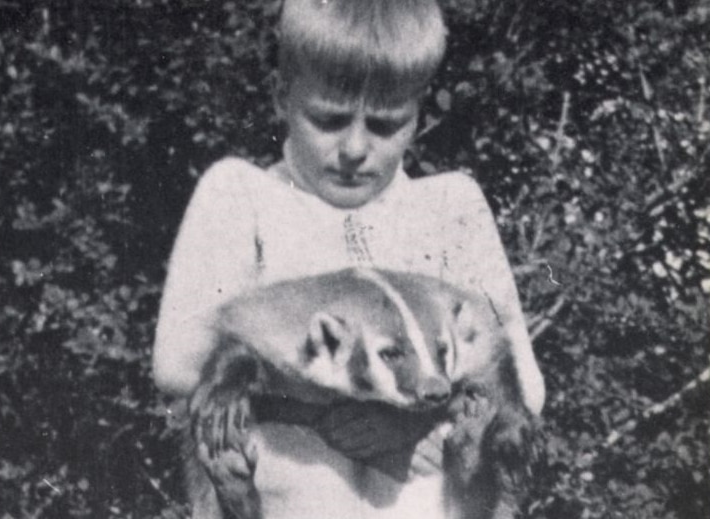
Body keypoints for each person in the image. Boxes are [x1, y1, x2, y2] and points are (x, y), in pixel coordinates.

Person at [154, 0, 544, 514]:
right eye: (328, 119)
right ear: (282, 97)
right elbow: (178, 366)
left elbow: (525, 390)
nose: (355, 148)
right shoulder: (241, 196)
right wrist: (341, 409)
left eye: (386, 126)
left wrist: (412, 421)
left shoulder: (451, 207)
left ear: (417, 117)